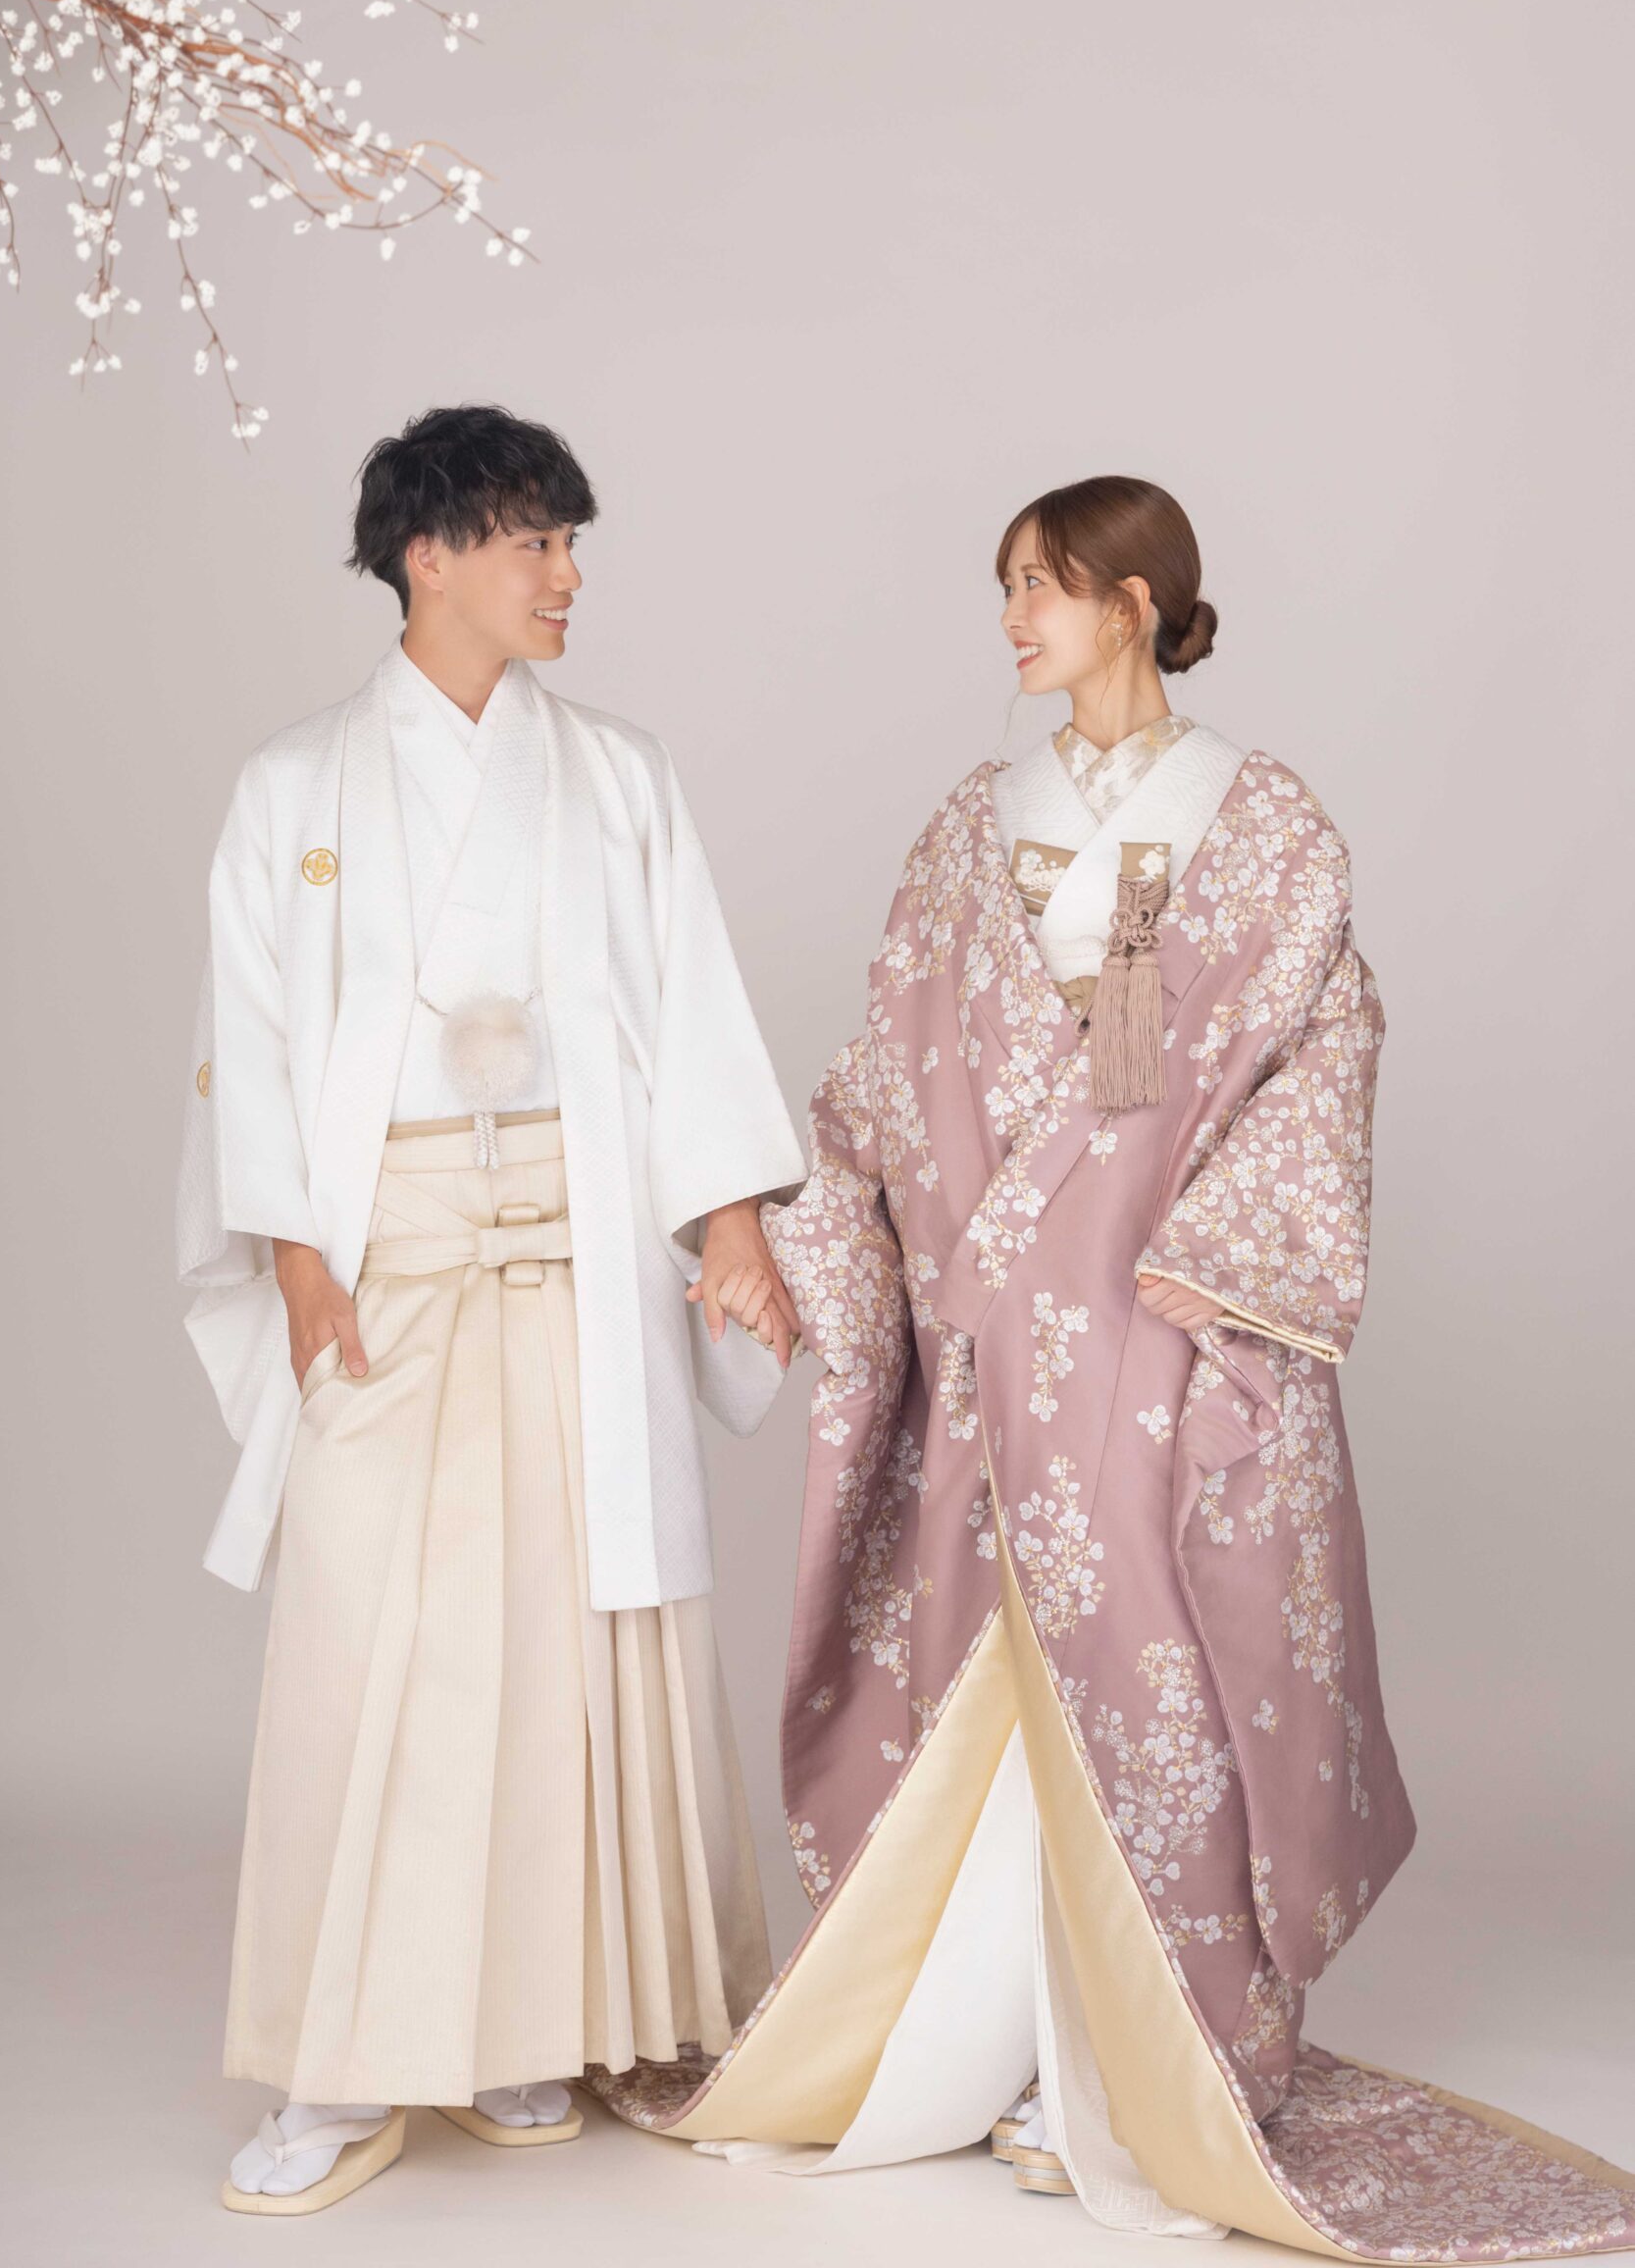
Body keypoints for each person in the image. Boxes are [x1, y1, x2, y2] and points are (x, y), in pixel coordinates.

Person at [585, 477, 1635, 2260]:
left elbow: (1325, 1053)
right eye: (1006, 587)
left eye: (1043, 587)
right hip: (994, 1322)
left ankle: (1158, 2063)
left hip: (1159, 1315)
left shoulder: (1264, 823)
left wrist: (1205, 1269)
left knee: (1169, 1678)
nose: (1013, 620)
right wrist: (804, 1244)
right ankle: (991, 2041)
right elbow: (888, 1069)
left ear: (1135, 603)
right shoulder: (971, 826)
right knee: (980, 1667)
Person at [176, 405, 805, 2214]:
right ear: (429, 553)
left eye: (568, 542)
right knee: (363, 1645)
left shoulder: (615, 772)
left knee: (560, 1639)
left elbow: (691, 1006)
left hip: (582, 1234)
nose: (568, 575)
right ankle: (335, 2063)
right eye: (537, 540)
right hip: (382, 1249)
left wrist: (731, 1221)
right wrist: (298, 1255)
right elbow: (250, 1034)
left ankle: (533, 2023)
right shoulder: (296, 785)